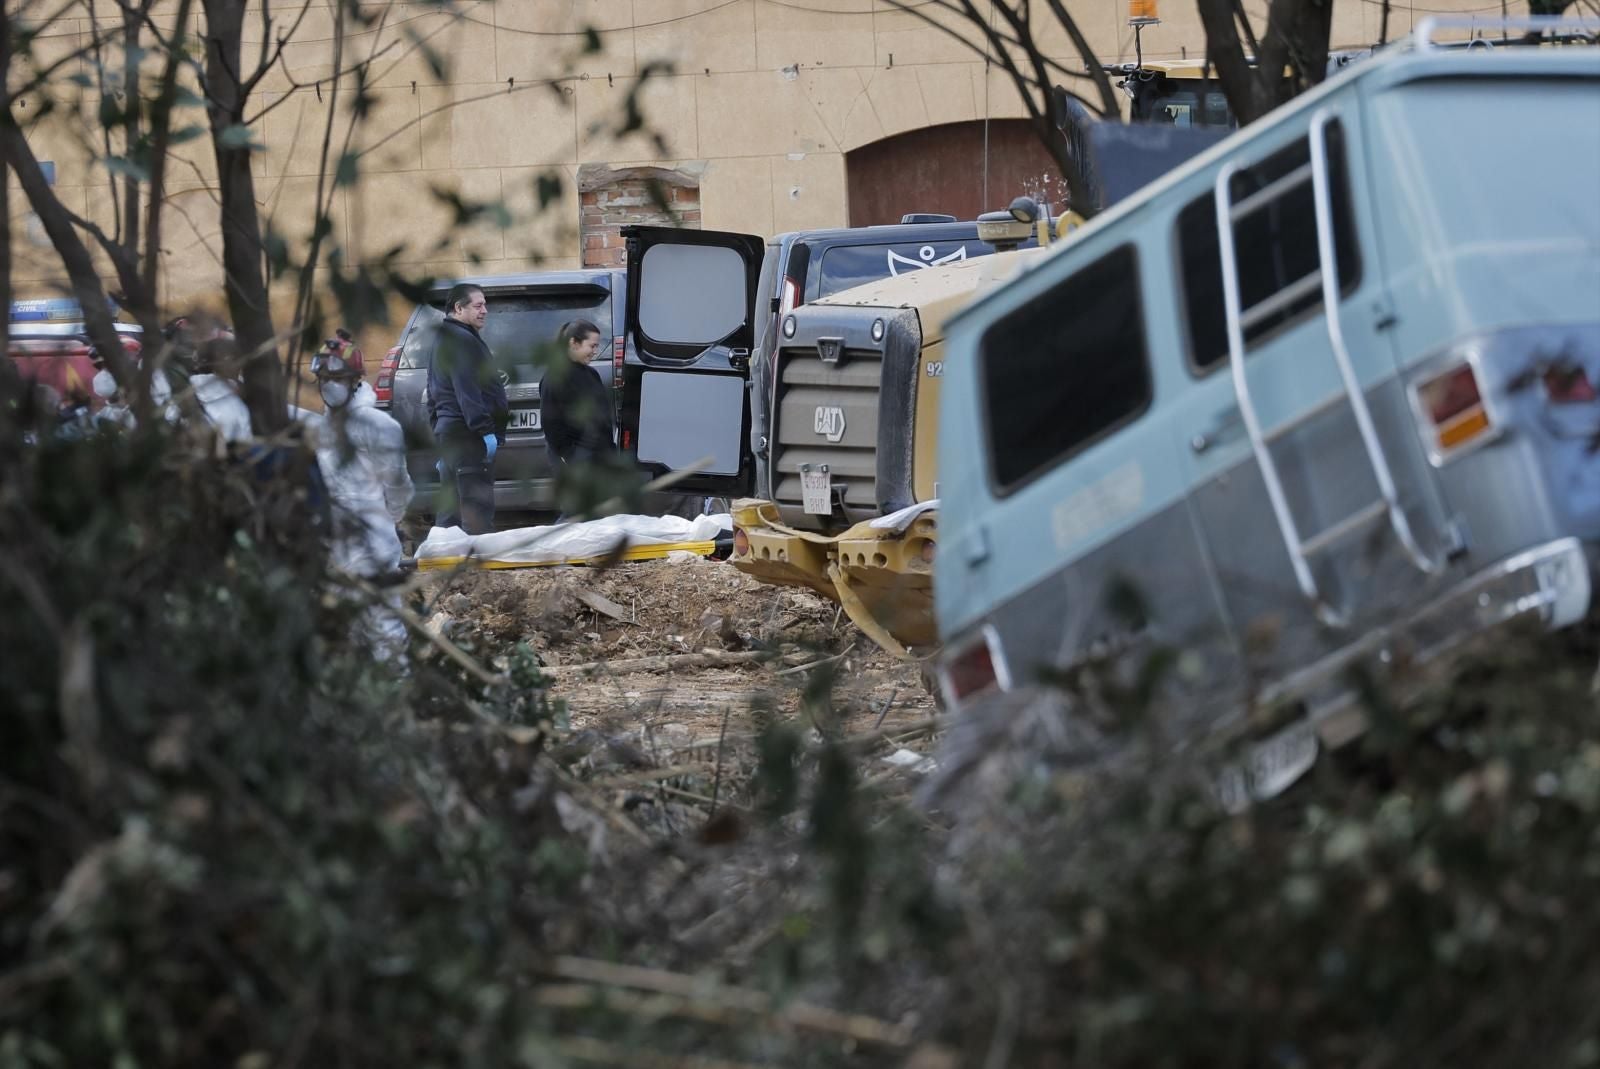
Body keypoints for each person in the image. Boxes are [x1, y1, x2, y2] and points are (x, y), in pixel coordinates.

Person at [309, 341, 415, 661]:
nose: (329, 385)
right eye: (323, 378)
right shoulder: (321, 427)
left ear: (355, 380)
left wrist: (391, 519)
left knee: (384, 631)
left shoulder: (378, 426)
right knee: (344, 635)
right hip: (334, 548)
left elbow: (397, 484)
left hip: (373, 546)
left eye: (336, 378)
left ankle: (397, 699)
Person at [427, 283, 506, 533]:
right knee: (477, 510)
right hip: (468, 436)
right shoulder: (461, 339)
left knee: (449, 511)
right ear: (458, 308)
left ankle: (445, 561)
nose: (485, 311)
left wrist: (439, 430)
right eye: (478, 305)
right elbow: (466, 389)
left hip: (451, 434)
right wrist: (484, 431)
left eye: (485, 305)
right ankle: (479, 567)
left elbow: (433, 392)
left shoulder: (445, 337)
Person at [539, 318, 618, 522]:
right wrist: (570, 456)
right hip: (574, 458)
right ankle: (550, 547)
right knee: (576, 512)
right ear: (573, 343)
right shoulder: (555, 377)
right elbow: (551, 424)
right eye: (591, 346)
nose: (595, 351)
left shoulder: (590, 374)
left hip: (596, 457)